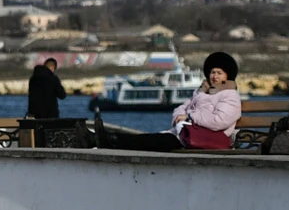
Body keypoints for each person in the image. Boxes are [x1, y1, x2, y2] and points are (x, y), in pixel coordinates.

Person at [99, 52, 242, 152]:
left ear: (227, 76)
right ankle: (106, 139)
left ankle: (110, 140)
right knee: (153, 139)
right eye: (212, 72)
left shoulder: (230, 95)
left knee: (152, 141)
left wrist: (190, 117)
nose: (214, 76)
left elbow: (219, 121)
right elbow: (181, 108)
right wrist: (180, 118)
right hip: (186, 134)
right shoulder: (201, 91)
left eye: (219, 73)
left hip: (206, 139)